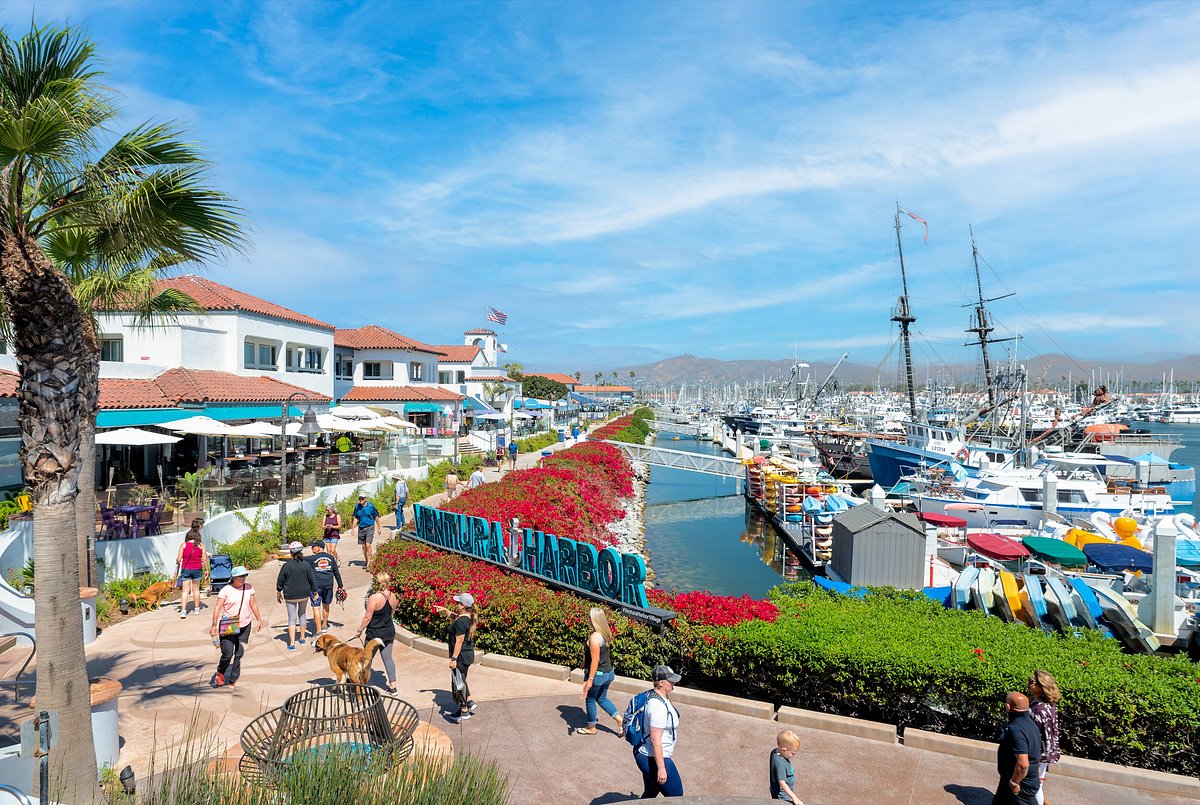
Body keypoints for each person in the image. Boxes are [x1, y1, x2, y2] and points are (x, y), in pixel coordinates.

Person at [208, 565, 262, 688]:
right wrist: (214, 625)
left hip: (245, 624)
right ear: (234, 578)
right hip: (229, 624)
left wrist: (259, 619)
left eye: (245, 576)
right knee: (227, 653)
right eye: (241, 576)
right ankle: (220, 672)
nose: (244, 578)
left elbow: (253, 604)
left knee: (239, 653)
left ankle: (233, 679)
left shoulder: (249, 588)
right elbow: (217, 608)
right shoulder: (225, 590)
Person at [634, 665, 683, 798]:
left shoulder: (657, 696)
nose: (674, 682)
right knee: (677, 797)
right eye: (671, 680)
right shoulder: (658, 707)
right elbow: (656, 740)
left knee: (651, 793)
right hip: (652, 757)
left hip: (646, 754)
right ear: (661, 683)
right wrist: (661, 769)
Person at [576, 607, 621, 735]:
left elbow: (595, 660)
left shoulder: (594, 638)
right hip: (608, 673)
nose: (588, 619)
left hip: (598, 675)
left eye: (589, 617)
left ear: (594, 620)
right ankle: (620, 720)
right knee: (601, 699)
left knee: (590, 699)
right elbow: (600, 654)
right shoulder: (605, 634)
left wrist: (590, 680)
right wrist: (586, 662)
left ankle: (591, 727)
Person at [435, 592, 478, 722]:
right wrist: (445, 610)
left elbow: (458, 642)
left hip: (460, 657)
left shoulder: (461, 622)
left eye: (458, 603)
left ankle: (464, 710)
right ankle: (469, 701)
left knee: (458, 683)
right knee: (462, 679)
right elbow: (455, 618)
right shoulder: (467, 618)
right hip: (467, 655)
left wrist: (453, 659)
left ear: (463, 606)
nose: (456, 604)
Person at [994, 692, 1042, 805]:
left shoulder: (1016, 729)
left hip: (1021, 782)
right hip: (1010, 779)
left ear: (1008, 707)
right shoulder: (1030, 724)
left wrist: (1014, 783)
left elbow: (1023, 764)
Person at [355, 571, 400, 692]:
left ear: (377, 582)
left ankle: (362, 684)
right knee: (388, 658)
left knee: (366, 659)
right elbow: (392, 613)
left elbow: (367, 617)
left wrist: (359, 631)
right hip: (388, 631)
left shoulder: (374, 598)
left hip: (374, 634)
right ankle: (393, 686)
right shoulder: (393, 596)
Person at [1028, 671, 1061, 805]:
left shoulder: (1039, 709)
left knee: (1035, 786)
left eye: (1033, 682)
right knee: (1036, 783)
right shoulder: (1047, 704)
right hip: (1045, 751)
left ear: (1042, 686)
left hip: (1038, 752)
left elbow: (1036, 733)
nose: (1029, 684)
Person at [276, 541, 316, 651]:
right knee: (302, 614)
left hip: (290, 595)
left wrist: (279, 592)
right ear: (301, 551)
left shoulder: (286, 566)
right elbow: (312, 579)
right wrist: (315, 592)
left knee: (292, 618)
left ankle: (292, 644)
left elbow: (280, 581)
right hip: (304, 594)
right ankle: (302, 638)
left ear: (290, 552)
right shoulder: (306, 564)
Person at [306, 540, 344, 635]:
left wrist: (281, 557)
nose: (312, 548)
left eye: (313, 546)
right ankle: (324, 625)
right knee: (326, 604)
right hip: (328, 585)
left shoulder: (311, 558)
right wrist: (340, 586)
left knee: (316, 607)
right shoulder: (331, 557)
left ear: (318, 548)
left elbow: (297, 559)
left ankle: (318, 630)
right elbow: (336, 572)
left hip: (316, 587)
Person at [175, 521, 209, 619]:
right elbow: (204, 559)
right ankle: (197, 609)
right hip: (197, 568)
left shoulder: (183, 545)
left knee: (185, 591)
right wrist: (206, 570)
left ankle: (183, 611)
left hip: (186, 568)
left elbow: (179, 559)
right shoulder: (201, 545)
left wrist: (177, 562)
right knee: (196, 590)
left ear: (188, 536)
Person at [770, 730, 804, 803]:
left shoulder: (775, 751)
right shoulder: (780, 764)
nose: (794, 755)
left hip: (778, 791)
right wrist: (794, 797)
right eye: (793, 753)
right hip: (782, 796)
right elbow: (782, 783)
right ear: (784, 750)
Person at [353, 493, 379, 568]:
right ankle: (366, 560)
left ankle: (369, 563)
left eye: (362, 498)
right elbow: (355, 517)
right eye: (359, 499)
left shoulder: (371, 506)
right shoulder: (357, 507)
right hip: (361, 528)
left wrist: (379, 527)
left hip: (370, 527)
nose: (360, 500)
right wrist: (353, 528)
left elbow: (376, 517)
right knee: (363, 546)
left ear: (365, 499)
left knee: (368, 545)